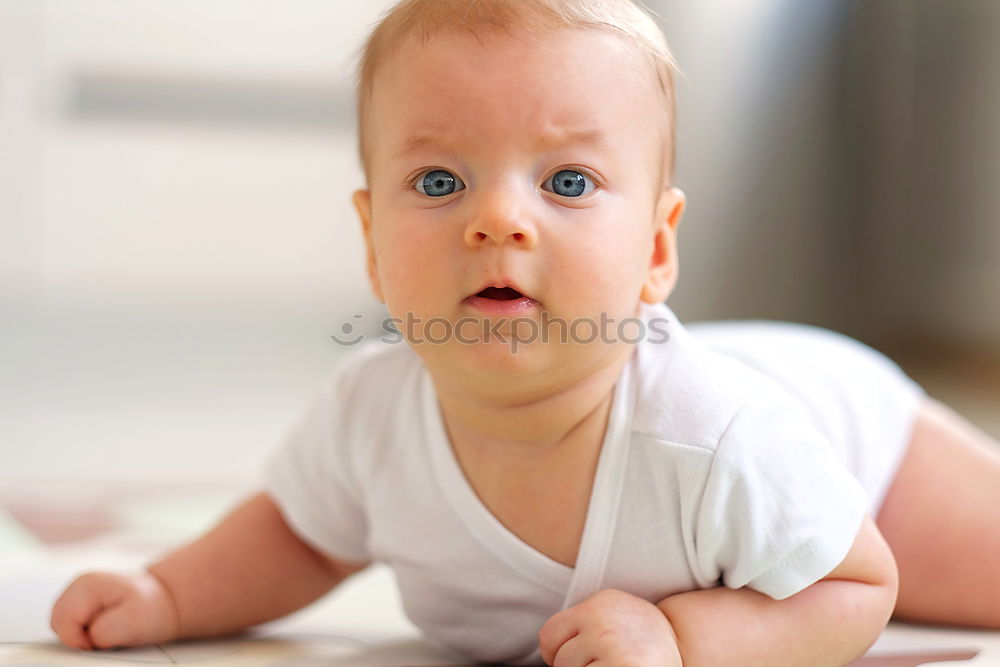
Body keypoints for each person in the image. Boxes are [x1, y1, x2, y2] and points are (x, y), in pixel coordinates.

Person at [49, 1, 1000, 665]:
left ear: (658, 249)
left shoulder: (717, 436)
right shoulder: (371, 416)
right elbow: (300, 533)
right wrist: (169, 596)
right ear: (372, 242)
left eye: (568, 182)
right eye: (437, 182)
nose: (498, 221)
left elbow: (857, 584)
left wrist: (688, 641)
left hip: (861, 446)